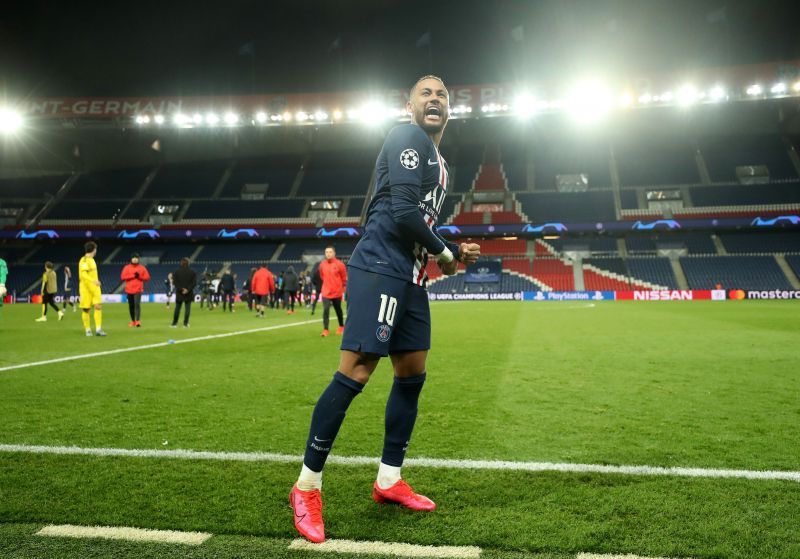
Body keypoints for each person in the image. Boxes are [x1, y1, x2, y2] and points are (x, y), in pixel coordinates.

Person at [289, 75, 481, 543]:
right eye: (426, 94)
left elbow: (421, 222)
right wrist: (447, 252)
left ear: (450, 110)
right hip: (379, 268)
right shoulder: (406, 136)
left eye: (442, 96)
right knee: (355, 372)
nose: (434, 100)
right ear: (409, 104)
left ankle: (389, 480)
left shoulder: (442, 162)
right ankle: (306, 487)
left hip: (411, 278)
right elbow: (401, 211)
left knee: (412, 375)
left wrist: (446, 252)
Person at [318, 246, 347, 337]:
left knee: (338, 310)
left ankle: (341, 326)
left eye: (330, 252)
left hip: (337, 292)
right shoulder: (322, 264)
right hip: (326, 292)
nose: (328, 254)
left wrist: (341, 288)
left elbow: (343, 278)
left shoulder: (340, 264)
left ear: (334, 253)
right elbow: (322, 276)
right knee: (326, 309)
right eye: (326, 252)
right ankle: (325, 329)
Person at [79, 241, 106, 336]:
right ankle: (88, 329)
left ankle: (98, 329)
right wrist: (93, 280)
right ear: (93, 249)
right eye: (95, 249)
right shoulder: (84, 260)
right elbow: (83, 274)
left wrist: (95, 283)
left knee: (98, 307)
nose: (96, 251)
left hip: (95, 288)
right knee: (86, 309)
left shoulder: (92, 260)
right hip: (86, 289)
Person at [121, 253, 151, 327]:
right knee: (131, 306)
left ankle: (137, 321)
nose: (135, 259)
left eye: (136, 258)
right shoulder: (126, 267)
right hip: (129, 290)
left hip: (138, 289)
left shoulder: (142, 268)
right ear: (131, 259)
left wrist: (139, 276)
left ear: (138, 259)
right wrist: (133, 275)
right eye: (133, 257)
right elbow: (122, 277)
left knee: (137, 305)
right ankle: (133, 321)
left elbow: (147, 277)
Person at [171, 258, 196, 328]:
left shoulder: (177, 271)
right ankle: (185, 323)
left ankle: (174, 323)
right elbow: (194, 283)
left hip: (179, 292)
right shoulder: (192, 272)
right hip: (189, 293)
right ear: (188, 263)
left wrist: (181, 289)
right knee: (187, 308)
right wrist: (187, 289)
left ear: (181, 263)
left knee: (177, 308)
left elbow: (175, 282)